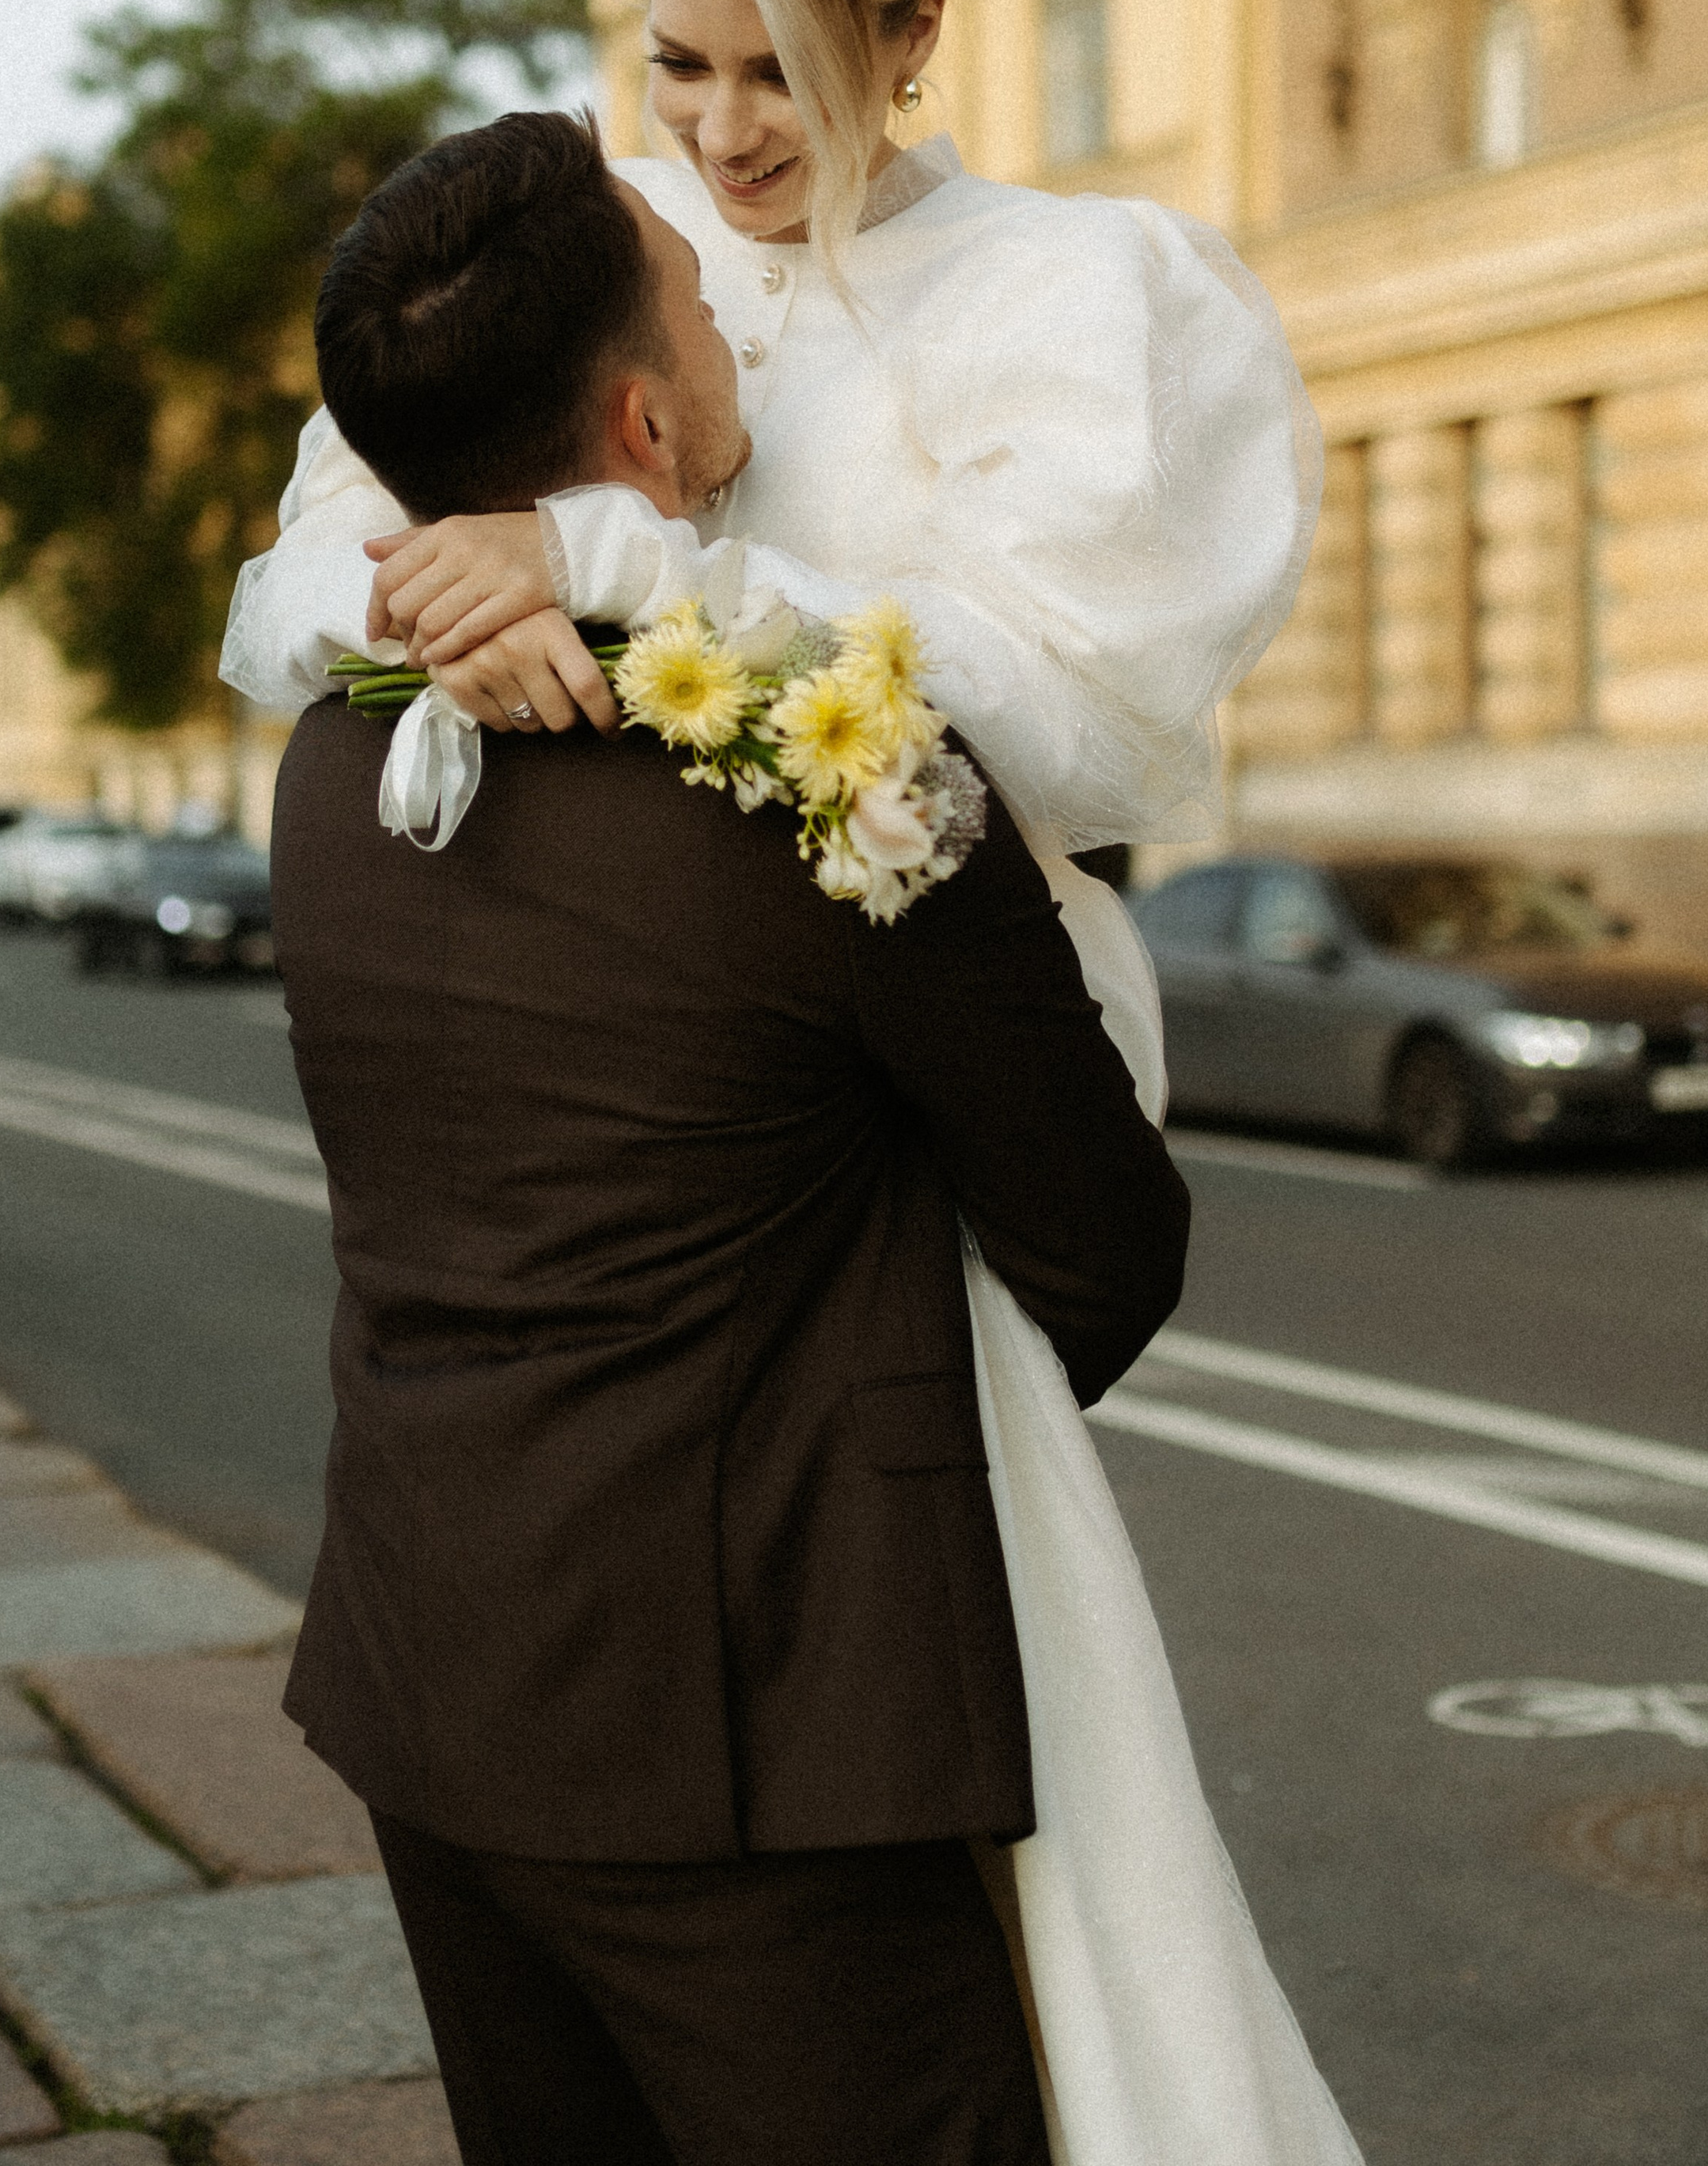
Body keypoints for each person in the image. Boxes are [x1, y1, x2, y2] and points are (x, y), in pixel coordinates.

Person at [272, 107, 1193, 2166]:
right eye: (696, 293)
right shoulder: (841, 784)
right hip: (760, 1753)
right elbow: (1107, 1244)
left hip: (432, 1687)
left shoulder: (335, 763)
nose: (734, 316)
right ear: (645, 421)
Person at [221, 0, 1324, 1119]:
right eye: (678, 65)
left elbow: (1057, 721)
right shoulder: (593, 239)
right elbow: (299, 575)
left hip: (930, 1090)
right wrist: (447, 619)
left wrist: (613, 571)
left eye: (781, 73)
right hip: (611, 1072)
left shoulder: (1061, 291)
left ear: (914, 28)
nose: (723, 132)